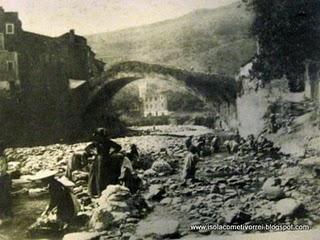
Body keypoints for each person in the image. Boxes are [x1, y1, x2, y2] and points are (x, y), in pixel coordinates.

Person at [85, 128, 122, 197]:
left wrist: (93, 153)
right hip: (106, 159)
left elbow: (87, 149)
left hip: (99, 159)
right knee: (104, 176)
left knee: (97, 176)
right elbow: (119, 147)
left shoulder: (97, 142)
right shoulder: (108, 142)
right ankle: (102, 192)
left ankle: (97, 192)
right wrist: (112, 153)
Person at [0, 152, 12, 220]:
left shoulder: (7, 177)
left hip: (7, 205)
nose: (1, 167)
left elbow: (8, 191)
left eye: (3, 164)